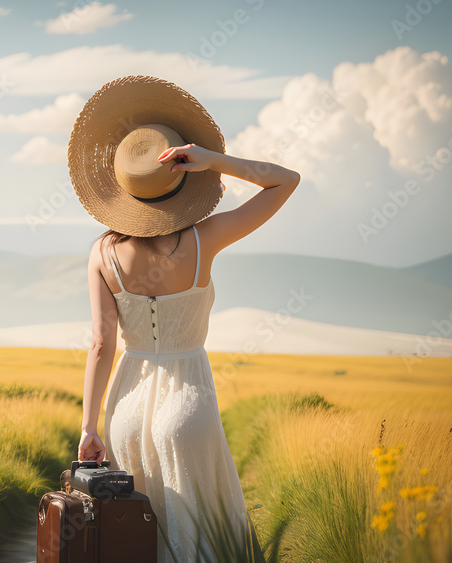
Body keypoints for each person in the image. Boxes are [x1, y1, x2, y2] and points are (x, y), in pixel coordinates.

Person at [69, 76, 300, 562]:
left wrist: (90, 427)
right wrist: (217, 161)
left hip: (125, 411)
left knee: (135, 540)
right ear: (180, 180)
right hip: (188, 401)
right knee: (201, 535)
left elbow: (100, 345)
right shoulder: (204, 239)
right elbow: (286, 180)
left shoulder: (102, 253)